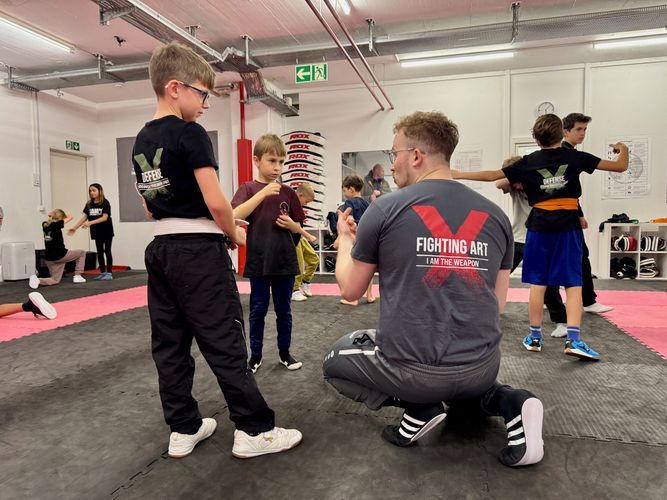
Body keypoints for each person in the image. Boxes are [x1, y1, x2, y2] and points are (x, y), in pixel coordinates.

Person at [324, 111, 544, 467]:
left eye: (393, 153)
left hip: (414, 375)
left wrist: (346, 241)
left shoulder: (385, 209)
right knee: (458, 377)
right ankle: (510, 401)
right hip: (482, 368)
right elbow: (498, 303)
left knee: (334, 361)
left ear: (415, 155)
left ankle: (421, 407)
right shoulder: (496, 216)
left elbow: (350, 290)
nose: (391, 164)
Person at [133, 41, 301, 460]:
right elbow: (215, 201)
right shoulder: (189, 133)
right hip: (197, 252)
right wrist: (233, 235)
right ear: (175, 87)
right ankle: (253, 430)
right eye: (201, 93)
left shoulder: (141, 139)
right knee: (225, 340)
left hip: (161, 250)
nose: (206, 103)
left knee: (169, 344)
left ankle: (183, 428)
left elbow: (147, 204)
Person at [454, 114, 628, 361]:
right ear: (562, 135)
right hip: (567, 227)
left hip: (539, 227)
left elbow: (492, 175)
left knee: (538, 284)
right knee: (573, 284)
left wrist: (458, 173)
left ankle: (535, 337)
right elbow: (620, 166)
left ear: (536, 139)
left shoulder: (528, 162)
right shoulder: (575, 157)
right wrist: (624, 150)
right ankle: (574, 340)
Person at [232, 134, 306, 374]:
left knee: (284, 310)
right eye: (271, 161)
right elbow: (234, 214)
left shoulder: (289, 192)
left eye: (281, 162)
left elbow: (298, 227)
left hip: (284, 262)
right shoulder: (248, 188)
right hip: (259, 261)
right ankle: (255, 355)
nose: (277, 167)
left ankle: (284, 352)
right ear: (256, 160)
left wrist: (291, 233)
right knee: (258, 309)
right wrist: (262, 194)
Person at [496, 159, 570, 338]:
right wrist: (515, 175)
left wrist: (530, 176)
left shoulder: (540, 186)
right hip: (516, 239)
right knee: (497, 275)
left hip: (539, 237)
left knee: (547, 282)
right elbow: (499, 183)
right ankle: (487, 311)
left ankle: (562, 321)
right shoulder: (513, 187)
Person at [559, 113, 614, 314]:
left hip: (568, 213)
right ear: (565, 131)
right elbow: (620, 167)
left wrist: (579, 212)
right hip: (558, 216)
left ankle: (587, 300)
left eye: (585, 130)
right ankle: (583, 301)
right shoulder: (567, 155)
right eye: (578, 129)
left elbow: (570, 189)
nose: (582, 134)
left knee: (579, 256)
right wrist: (623, 150)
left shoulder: (570, 153)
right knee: (575, 257)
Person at [338, 175, 375, 306]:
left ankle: (353, 298)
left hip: (355, 235)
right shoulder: (367, 203)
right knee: (368, 265)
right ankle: (370, 295)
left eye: (344, 190)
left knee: (353, 266)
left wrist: (340, 239)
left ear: (351, 189)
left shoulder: (349, 203)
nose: (344, 193)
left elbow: (349, 221)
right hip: (367, 235)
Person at [29, 209, 87, 288]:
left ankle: (38, 280)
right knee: (82, 252)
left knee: (55, 280)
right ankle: (77, 276)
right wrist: (60, 216)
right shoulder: (56, 224)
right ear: (60, 218)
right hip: (60, 255)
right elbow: (71, 217)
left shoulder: (44, 224)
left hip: (49, 259)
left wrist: (51, 214)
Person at [69, 183, 115, 280]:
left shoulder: (105, 203)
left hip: (106, 230)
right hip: (96, 231)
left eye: (94, 190)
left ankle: (109, 273)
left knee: (107, 250)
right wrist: (75, 228)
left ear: (99, 191)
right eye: (90, 191)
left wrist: (90, 223)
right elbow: (85, 217)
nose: (92, 192)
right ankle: (102, 272)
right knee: (99, 251)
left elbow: (104, 218)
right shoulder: (89, 204)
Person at [291, 183, 320, 302]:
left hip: (300, 237)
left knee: (314, 259)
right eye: (306, 202)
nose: (306, 204)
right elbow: (293, 225)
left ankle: (306, 281)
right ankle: (295, 290)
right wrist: (308, 235)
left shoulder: (297, 206)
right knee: (299, 264)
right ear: (300, 195)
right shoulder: (289, 204)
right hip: (293, 238)